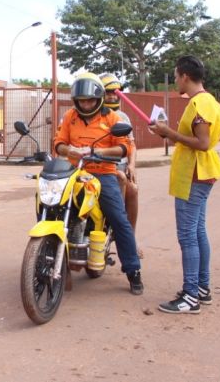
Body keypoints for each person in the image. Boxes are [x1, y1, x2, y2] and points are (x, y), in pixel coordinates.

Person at [149, 56, 220, 314]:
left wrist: (169, 133)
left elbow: (202, 142)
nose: (175, 81)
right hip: (203, 172)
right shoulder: (211, 102)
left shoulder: (198, 104)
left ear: (184, 76)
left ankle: (191, 296)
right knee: (197, 232)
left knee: (187, 236)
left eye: (176, 76)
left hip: (194, 174)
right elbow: (196, 139)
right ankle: (201, 289)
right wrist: (166, 132)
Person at [53, 72, 143, 295]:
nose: (86, 104)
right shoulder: (70, 116)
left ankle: (133, 271)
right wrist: (69, 150)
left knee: (119, 219)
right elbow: (58, 143)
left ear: (99, 98)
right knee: (54, 207)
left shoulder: (112, 118)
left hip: (103, 173)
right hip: (74, 172)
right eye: (82, 100)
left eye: (90, 100)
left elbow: (124, 147)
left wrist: (97, 151)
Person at [99, 73, 142, 258]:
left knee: (132, 188)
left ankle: (128, 238)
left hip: (120, 166)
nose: (113, 96)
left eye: (116, 92)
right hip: (98, 166)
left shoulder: (122, 116)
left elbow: (131, 145)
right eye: (108, 93)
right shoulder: (91, 115)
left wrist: (132, 165)